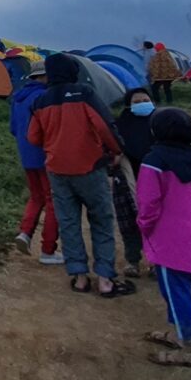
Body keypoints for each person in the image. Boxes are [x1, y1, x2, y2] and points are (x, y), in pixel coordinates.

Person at [27, 53, 134, 297]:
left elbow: (33, 138)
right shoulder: (84, 93)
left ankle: (79, 277)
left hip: (57, 170)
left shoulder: (40, 101)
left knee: (69, 222)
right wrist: (116, 150)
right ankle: (105, 278)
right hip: (89, 167)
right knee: (101, 220)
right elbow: (104, 125)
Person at [136, 108, 191, 367]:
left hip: (169, 238)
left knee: (174, 290)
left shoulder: (153, 162)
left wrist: (145, 229)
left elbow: (148, 205)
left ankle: (190, 345)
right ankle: (178, 334)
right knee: (180, 287)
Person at [10, 65, 62, 265]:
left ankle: (25, 233)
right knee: (52, 201)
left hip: (26, 154)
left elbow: (13, 128)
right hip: (44, 154)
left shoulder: (18, 97)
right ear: (45, 77)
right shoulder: (44, 98)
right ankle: (48, 250)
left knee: (36, 197)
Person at [110, 88, 157, 278]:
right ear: (129, 105)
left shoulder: (159, 122)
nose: (142, 103)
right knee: (129, 222)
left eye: (146, 100)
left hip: (155, 179)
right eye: (137, 101)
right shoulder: (121, 125)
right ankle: (132, 261)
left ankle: (155, 262)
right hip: (127, 178)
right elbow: (112, 149)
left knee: (156, 221)